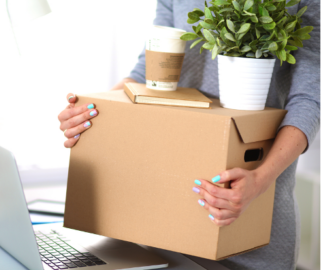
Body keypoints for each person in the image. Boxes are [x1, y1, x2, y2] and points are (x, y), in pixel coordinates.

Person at [57, 0, 321, 269]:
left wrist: (260, 180)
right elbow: (147, 75)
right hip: (162, 223)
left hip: (250, 217)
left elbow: (309, 100)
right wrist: (94, 112)